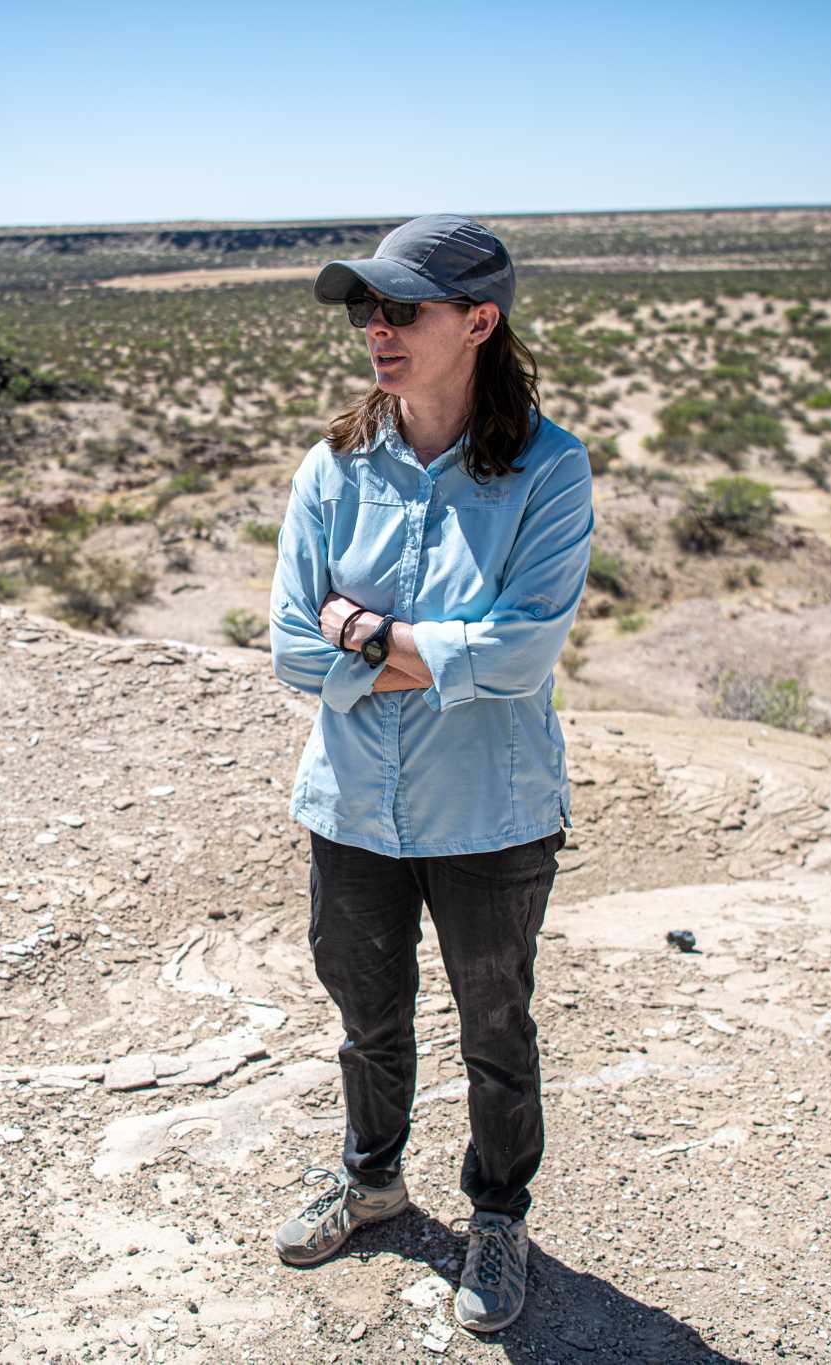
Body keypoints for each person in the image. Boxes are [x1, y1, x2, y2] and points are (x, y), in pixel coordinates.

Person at [266, 214, 593, 1334]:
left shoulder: (548, 470)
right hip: (352, 804)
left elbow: (518, 657)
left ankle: (495, 1219)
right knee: (367, 1016)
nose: (375, 330)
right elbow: (287, 648)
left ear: (478, 321)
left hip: (488, 813)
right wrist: (420, 650)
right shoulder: (332, 466)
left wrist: (361, 633)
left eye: (401, 308)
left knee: (494, 1029)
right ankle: (372, 1182)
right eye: (366, 309)